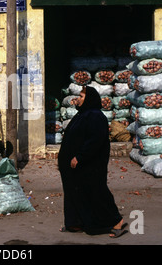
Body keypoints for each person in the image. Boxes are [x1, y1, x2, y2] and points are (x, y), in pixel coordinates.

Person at [57, 85, 127, 238]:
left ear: (89, 99)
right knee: (75, 192)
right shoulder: (82, 114)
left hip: (90, 164)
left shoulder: (95, 116)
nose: (78, 99)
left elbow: (94, 141)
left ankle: (116, 221)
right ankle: (75, 222)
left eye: (82, 96)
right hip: (73, 165)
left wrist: (80, 157)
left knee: (96, 191)